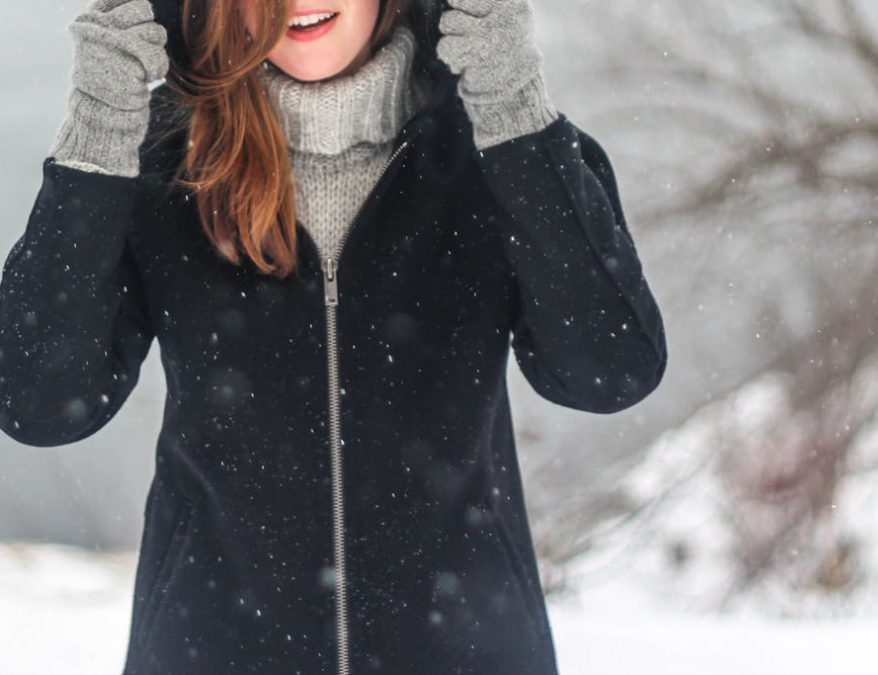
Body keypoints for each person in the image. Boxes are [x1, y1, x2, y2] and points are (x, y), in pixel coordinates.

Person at [0, 0, 667, 672]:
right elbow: (39, 402)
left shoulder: (498, 149)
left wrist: (513, 101)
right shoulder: (164, 166)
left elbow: (609, 372)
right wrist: (99, 124)